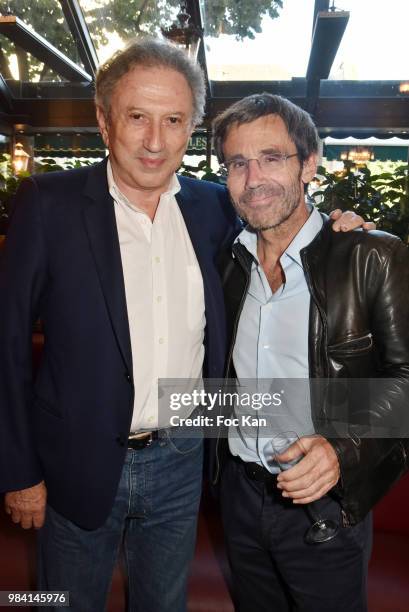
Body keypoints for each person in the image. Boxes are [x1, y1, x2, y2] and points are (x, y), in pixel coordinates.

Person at [0, 38, 372, 612]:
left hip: (182, 461)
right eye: (137, 117)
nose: (155, 141)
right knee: (56, 600)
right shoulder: (47, 204)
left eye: (173, 120)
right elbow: (7, 346)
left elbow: (282, 223)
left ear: (191, 126)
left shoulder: (214, 208)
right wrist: (18, 470)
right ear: (104, 120)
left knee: (163, 603)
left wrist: (337, 233)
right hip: (73, 462)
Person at [212, 93, 409, 612]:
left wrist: (340, 446)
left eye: (272, 157)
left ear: (309, 164)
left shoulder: (371, 257)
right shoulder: (227, 265)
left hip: (327, 503)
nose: (254, 178)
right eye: (237, 163)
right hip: (239, 494)